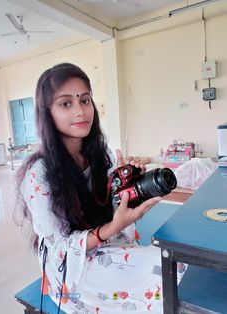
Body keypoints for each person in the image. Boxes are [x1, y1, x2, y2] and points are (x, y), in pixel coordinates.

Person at [16, 63, 165, 314]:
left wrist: (131, 185)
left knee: (170, 268)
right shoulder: (38, 173)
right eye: (66, 103)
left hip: (110, 244)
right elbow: (61, 246)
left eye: (85, 100)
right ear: (46, 113)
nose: (80, 111)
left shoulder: (100, 154)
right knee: (164, 280)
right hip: (72, 272)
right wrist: (113, 228)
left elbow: (113, 205)